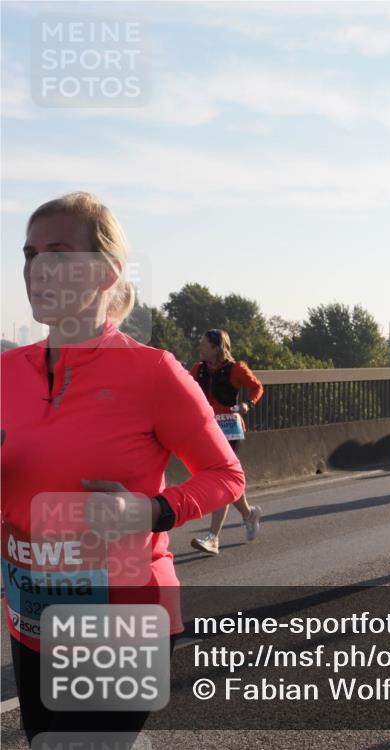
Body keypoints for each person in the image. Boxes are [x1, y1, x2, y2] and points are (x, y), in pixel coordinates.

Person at [2, 193, 245, 741]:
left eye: (58, 254)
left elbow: (227, 476)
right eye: (29, 253)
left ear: (108, 271)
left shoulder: (152, 373)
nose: (37, 270)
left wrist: (151, 510)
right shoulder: (5, 373)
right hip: (33, 618)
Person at [189, 329, 264, 556]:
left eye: (203, 344)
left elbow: (256, 387)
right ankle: (249, 514)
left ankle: (213, 537)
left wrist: (247, 405)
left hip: (230, 429)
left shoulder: (236, 369)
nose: (199, 347)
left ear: (216, 347)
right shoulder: (197, 369)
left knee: (220, 478)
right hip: (207, 429)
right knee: (224, 478)